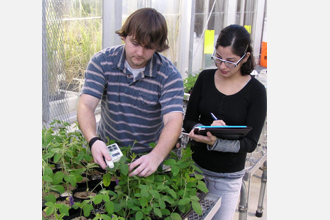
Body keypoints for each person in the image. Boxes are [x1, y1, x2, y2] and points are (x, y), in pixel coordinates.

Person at [77, 8, 184, 178]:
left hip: (147, 160)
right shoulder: (102, 62)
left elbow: (173, 120)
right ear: (124, 36)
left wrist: (156, 156)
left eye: (149, 47)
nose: (140, 53)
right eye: (135, 43)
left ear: (158, 46)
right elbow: (86, 105)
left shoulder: (168, 75)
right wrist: (93, 140)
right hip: (108, 154)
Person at [183, 24, 267, 220]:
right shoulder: (204, 78)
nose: (222, 66)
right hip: (193, 171)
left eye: (230, 61)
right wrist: (199, 129)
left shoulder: (256, 92)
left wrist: (215, 143)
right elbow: (189, 120)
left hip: (227, 178)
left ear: (245, 57)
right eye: (218, 58)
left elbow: (250, 143)